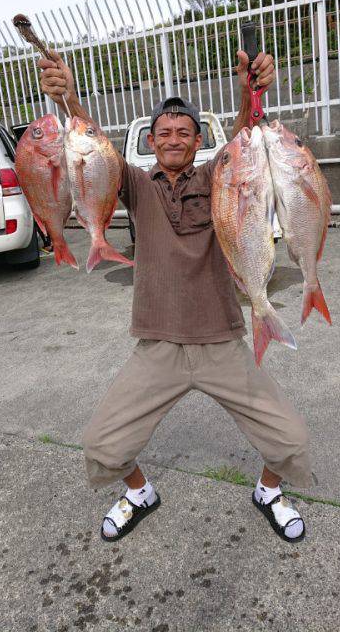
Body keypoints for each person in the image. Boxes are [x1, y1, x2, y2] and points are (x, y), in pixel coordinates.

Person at [39, 48, 313, 545]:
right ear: (150, 141)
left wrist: (250, 89)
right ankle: (140, 493)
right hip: (158, 345)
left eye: (183, 132)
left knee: (290, 439)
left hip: (221, 342)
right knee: (102, 443)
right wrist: (70, 97)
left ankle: (269, 493)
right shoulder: (137, 187)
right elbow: (93, 150)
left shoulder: (218, 178)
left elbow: (243, 142)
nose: (173, 139)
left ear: (198, 141)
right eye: (163, 132)